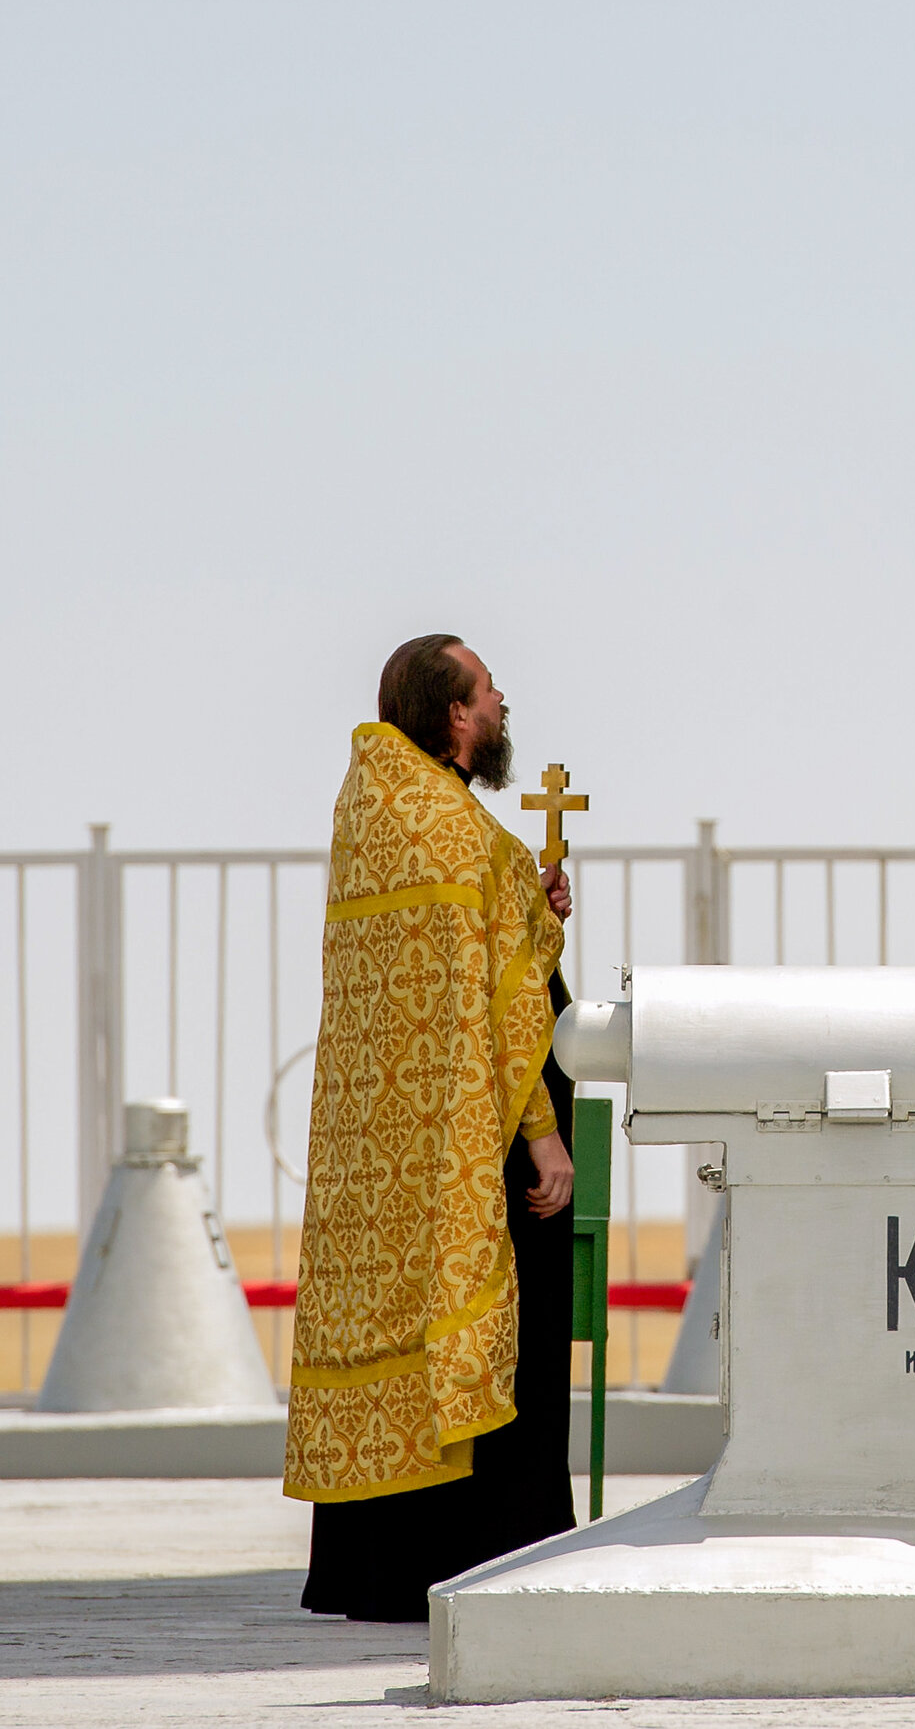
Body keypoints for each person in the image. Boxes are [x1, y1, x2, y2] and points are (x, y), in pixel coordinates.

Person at [285, 633, 581, 1621]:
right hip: (468, 1146)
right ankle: (491, 1563)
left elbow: (464, 955)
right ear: (455, 717)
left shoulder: (376, 813)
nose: (500, 707)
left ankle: (372, 1569)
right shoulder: (461, 836)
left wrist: (529, 912)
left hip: (377, 1154)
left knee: (389, 1332)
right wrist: (542, 1134)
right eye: (488, 693)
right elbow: (499, 1003)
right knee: (495, 1341)